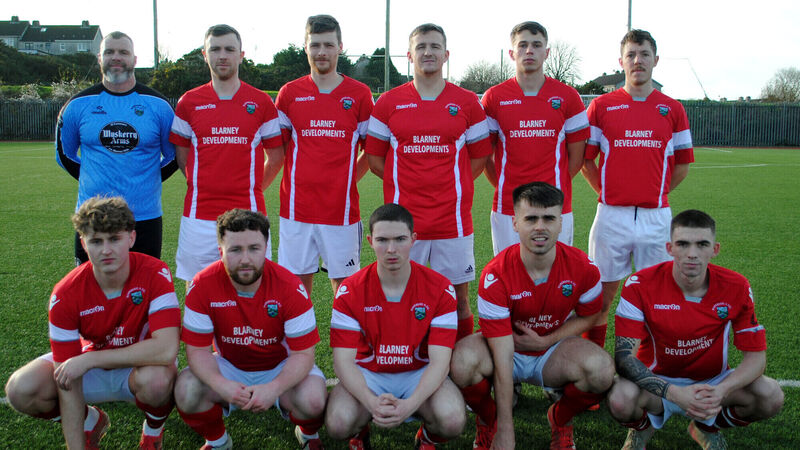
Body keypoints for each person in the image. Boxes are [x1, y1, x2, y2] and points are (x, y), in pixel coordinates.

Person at [4, 196, 181, 449]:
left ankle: (153, 431)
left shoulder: (155, 272)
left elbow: (165, 350)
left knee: (159, 382)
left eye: (114, 239)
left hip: (138, 365)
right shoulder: (65, 293)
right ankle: (90, 421)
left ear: (131, 238)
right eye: (96, 241)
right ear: (83, 243)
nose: (106, 250)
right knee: (21, 389)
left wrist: (90, 360)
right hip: (90, 368)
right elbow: (67, 381)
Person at [450, 182, 613, 450]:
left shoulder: (584, 268)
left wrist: (546, 341)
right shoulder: (495, 274)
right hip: (506, 350)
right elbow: (502, 355)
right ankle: (489, 420)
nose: (540, 227)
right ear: (515, 223)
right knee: (462, 361)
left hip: (551, 352)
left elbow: (590, 315)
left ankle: (560, 419)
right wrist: (505, 428)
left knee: (602, 371)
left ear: (560, 223)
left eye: (548, 218)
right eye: (531, 219)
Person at [608, 209, 783, 449]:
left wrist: (722, 390)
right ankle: (642, 428)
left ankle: (706, 428)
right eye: (683, 244)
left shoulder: (737, 286)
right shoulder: (639, 285)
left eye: (702, 244)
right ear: (670, 248)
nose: (692, 253)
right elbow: (624, 359)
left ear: (715, 249)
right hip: (656, 383)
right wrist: (674, 393)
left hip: (713, 383)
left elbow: (756, 358)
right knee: (620, 399)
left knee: (770, 395)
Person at [366, 23, 491, 341]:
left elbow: (478, 158)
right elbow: (375, 159)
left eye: (435, 46)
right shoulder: (388, 103)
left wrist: (450, 185)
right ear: (409, 55)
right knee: (401, 296)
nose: (428, 52)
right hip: (404, 223)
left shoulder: (467, 102)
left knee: (459, 300)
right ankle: (405, 360)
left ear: (446, 55)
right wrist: (407, 184)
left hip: (453, 221)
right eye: (421, 47)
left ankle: (461, 366)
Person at [175, 209, 326, 450]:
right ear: (221, 251)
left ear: (265, 248)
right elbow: (197, 351)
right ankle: (218, 441)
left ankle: (307, 433)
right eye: (235, 249)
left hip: (280, 366)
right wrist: (221, 384)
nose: (245, 259)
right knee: (186, 388)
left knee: (314, 398)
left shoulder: (289, 286)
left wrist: (274, 388)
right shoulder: (202, 284)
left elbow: (304, 355)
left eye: (254, 248)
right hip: (229, 366)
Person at [581, 29, 694, 348]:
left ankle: (648, 366)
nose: (637, 60)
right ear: (621, 62)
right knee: (600, 299)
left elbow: (682, 165)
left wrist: (655, 193)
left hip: (655, 218)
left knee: (656, 299)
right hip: (610, 216)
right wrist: (609, 191)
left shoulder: (672, 109)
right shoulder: (601, 106)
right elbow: (586, 160)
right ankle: (594, 367)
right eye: (630, 55)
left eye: (644, 54)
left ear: (655, 60)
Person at [326, 204, 465, 449]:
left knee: (452, 420)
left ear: (413, 239)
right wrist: (370, 402)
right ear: (370, 241)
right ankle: (360, 430)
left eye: (400, 239)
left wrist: (410, 404)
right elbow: (343, 362)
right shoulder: (350, 290)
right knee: (338, 423)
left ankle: (427, 438)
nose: (391, 249)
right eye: (382, 240)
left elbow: (440, 361)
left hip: (418, 371)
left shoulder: (440, 288)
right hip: (369, 373)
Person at [170, 24, 284, 282]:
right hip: (199, 216)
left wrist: (253, 187)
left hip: (249, 215)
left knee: (250, 286)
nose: (222, 56)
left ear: (241, 55)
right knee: (197, 286)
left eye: (229, 49)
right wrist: (204, 183)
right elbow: (182, 155)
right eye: (215, 49)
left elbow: (276, 157)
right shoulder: (188, 102)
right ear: (205, 55)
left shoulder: (261, 102)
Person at [56, 31, 177, 265]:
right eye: (109, 52)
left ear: (134, 59)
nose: (116, 57)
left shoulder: (159, 106)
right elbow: (64, 154)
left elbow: (174, 156)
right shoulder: (77, 105)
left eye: (123, 52)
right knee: (91, 286)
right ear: (99, 59)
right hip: (93, 216)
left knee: (143, 284)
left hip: (145, 216)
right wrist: (93, 178)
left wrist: (147, 178)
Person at [275, 15, 373, 297]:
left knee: (345, 292)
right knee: (296, 292)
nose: (321, 52)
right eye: (315, 45)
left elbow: (371, 151)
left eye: (328, 45)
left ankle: (344, 331)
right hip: (296, 211)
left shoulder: (359, 94)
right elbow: (280, 148)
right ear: (305, 47)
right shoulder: (289, 94)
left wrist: (345, 179)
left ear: (340, 47)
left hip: (341, 212)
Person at [482, 21, 589, 253]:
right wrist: (507, 186)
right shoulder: (494, 97)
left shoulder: (568, 97)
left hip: (555, 206)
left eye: (536, 45)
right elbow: (485, 157)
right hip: (508, 207)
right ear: (512, 53)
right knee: (508, 270)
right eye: (522, 45)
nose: (529, 50)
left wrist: (550, 190)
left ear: (546, 52)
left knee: (556, 272)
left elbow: (576, 157)